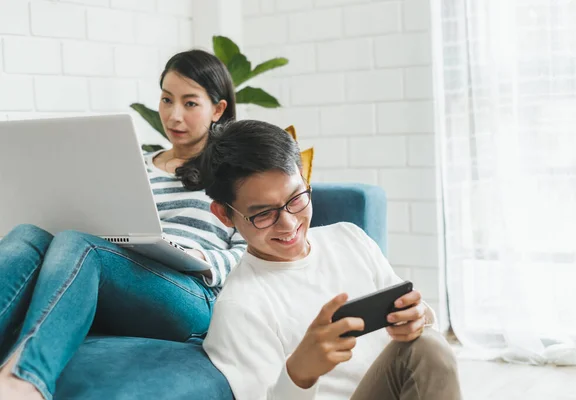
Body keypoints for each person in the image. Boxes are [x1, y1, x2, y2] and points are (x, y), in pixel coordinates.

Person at [0, 49, 246, 400]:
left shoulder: (233, 173)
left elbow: (252, 245)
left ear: (218, 109)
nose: (174, 115)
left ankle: (24, 381)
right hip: (121, 275)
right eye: (166, 99)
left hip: (190, 291)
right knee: (27, 234)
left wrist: (199, 258)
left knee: (79, 244)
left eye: (190, 103)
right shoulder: (135, 164)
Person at [191, 120, 462, 400]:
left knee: (427, 343)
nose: (288, 223)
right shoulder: (240, 307)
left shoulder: (349, 239)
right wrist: (299, 373)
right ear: (224, 214)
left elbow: (421, 330)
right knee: (427, 347)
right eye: (263, 214)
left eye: (296, 198)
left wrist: (419, 317)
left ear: (305, 179)